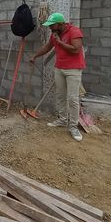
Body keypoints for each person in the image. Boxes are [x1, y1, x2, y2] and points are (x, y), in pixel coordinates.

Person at [30, 12, 85, 142]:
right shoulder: (55, 34)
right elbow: (47, 47)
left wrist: (59, 42)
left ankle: (73, 126)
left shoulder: (74, 31)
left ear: (60, 24)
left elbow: (76, 49)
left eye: (52, 25)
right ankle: (63, 119)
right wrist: (35, 56)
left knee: (72, 99)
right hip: (59, 68)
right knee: (60, 96)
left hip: (73, 69)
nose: (50, 28)